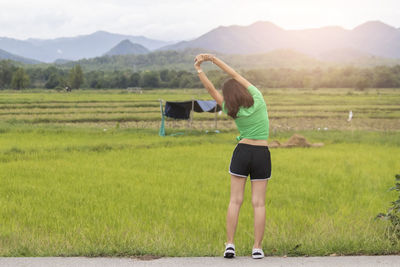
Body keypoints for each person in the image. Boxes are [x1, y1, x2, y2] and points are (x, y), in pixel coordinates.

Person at [194, 54, 271, 259]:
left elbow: (211, 90)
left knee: (235, 201)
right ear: (243, 90)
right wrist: (214, 60)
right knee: (259, 203)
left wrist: (200, 70)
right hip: (262, 153)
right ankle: (257, 248)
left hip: (242, 152)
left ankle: (230, 244)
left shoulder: (231, 108)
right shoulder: (258, 97)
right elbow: (234, 74)